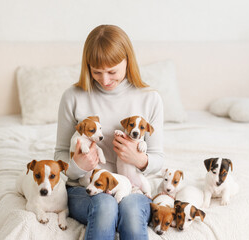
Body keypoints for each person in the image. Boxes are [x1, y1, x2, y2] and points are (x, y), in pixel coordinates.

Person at [54, 24, 164, 240]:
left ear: (128, 61)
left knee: (131, 210)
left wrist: (139, 159)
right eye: (96, 72)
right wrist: (77, 166)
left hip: (131, 187)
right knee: (105, 206)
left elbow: (158, 158)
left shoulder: (150, 99)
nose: (104, 80)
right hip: (84, 187)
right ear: (87, 67)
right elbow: (59, 155)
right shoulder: (73, 97)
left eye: (112, 71)